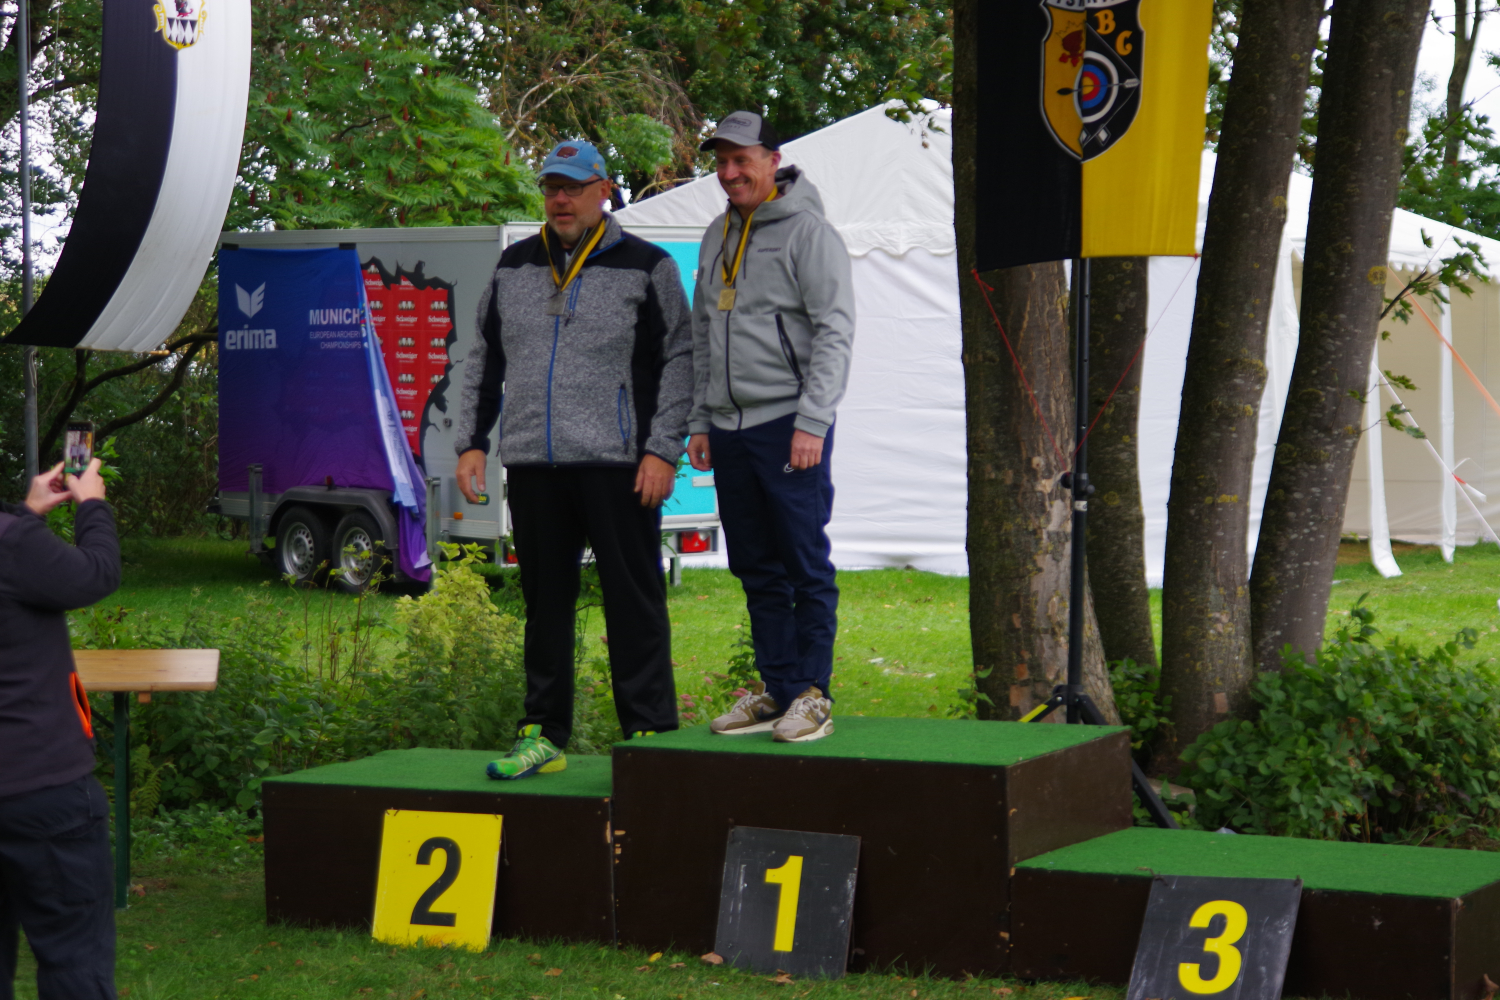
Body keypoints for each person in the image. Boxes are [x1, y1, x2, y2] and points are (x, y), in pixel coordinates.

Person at [455, 139, 694, 779]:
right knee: (544, 605)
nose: (560, 200)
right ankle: (543, 732)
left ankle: (649, 735)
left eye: (573, 188)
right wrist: (472, 441)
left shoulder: (648, 266)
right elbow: (483, 359)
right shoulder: (512, 267)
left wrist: (662, 449)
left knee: (634, 602)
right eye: (551, 188)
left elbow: (680, 361)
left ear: (604, 191)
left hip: (621, 465)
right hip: (534, 464)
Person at [686, 112, 855, 743]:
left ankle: (814, 694)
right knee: (754, 566)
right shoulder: (717, 233)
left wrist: (813, 421)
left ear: (773, 160)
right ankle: (779, 687)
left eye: (742, 160)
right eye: (721, 162)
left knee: (804, 562)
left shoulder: (809, 232)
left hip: (789, 424)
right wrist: (701, 419)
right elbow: (704, 331)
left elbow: (836, 330)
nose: (731, 173)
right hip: (728, 428)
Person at [0, 458, 120, 1000]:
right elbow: (96, 573)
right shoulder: (12, 545)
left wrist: (28, 513)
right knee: (74, 958)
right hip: (41, 787)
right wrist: (91, 504)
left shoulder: (14, 541)